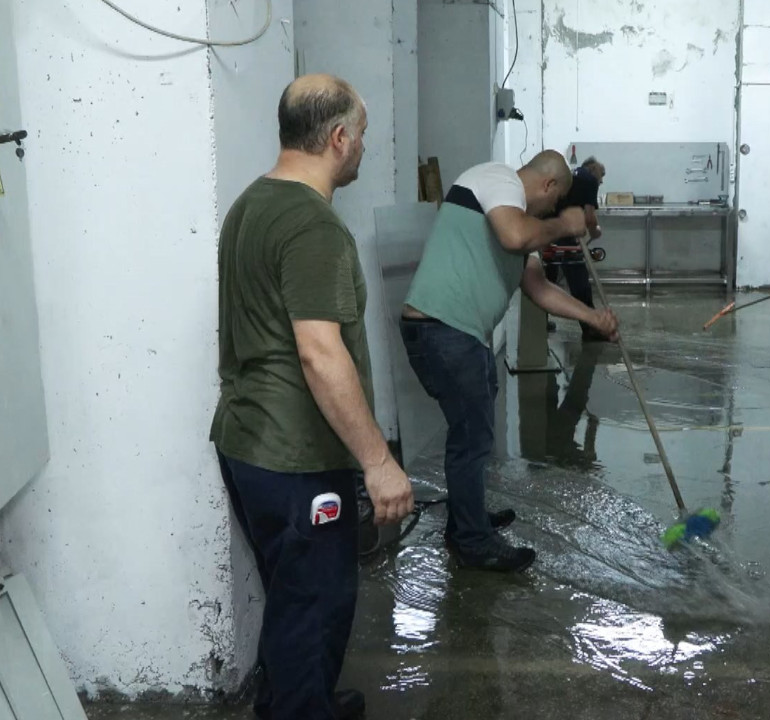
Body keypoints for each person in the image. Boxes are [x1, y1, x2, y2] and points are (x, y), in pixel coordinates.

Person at [210, 74, 413, 720]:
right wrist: (379, 462)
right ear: (338, 138)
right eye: (362, 137)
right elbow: (320, 355)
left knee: (293, 597)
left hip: (246, 445)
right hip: (294, 458)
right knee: (315, 608)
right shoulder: (313, 227)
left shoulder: (250, 205)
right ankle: (301, 706)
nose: (363, 149)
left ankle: (301, 701)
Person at [400, 151, 619, 573]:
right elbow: (515, 237)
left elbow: (538, 289)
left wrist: (592, 318)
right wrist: (562, 225)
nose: (546, 214)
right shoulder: (498, 180)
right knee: (471, 437)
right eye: (549, 205)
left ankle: (468, 520)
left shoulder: (516, 217)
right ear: (548, 186)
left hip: (462, 335)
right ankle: (472, 542)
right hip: (440, 329)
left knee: (475, 433)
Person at [544, 158, 606, 339]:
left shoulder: (571, 175)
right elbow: (589, 218)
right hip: (564, 233)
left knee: (547, 279)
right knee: (579, 282)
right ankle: (590, 329)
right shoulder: (590, 180)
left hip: (546, 232)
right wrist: (595, 233)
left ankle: (540, 322)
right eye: (601, 177)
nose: (600, 182)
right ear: (595, 169)